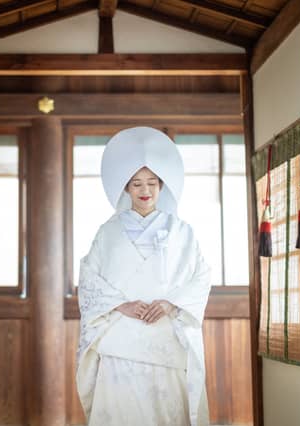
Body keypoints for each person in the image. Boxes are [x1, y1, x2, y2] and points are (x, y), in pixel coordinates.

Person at [76, 127, 211, 426]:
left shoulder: (182, 231)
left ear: (162, 186)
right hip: (121, 338)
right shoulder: (107, 232)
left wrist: (170, 304)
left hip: (166, 335)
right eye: (136, 183)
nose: (144, 189)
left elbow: (201, 276)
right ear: (126, 188)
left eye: (151, 182)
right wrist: (120, 305)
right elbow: (88, 279)